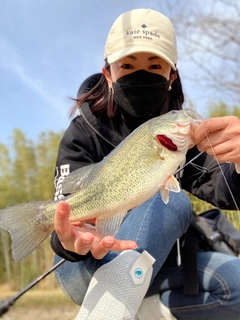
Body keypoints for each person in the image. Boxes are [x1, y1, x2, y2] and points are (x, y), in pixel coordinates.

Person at [51, 8, 240, 320]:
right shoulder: (83, 131)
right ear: (108, 73)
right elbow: (65, 212)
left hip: (163, 263)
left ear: (171, 77)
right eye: (127, 65)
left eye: (155, 65)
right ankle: (113, 308)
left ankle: (141, 306)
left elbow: (228, 191)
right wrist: (68, 238)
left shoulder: (182, 136)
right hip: (85, 265)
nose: (142, 75)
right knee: (173, 199)